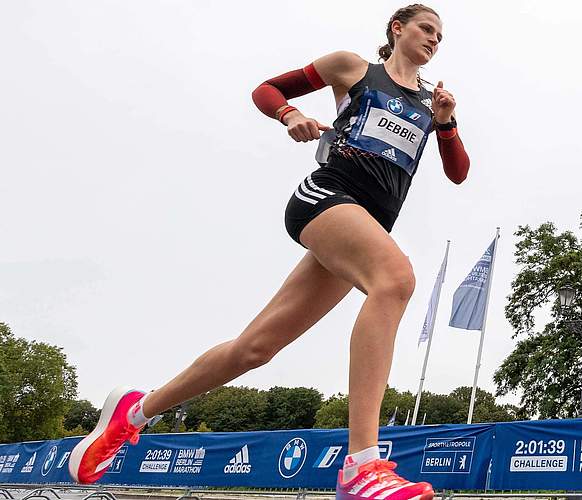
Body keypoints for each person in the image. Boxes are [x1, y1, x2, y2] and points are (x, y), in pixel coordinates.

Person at [69, 5, 468, 500]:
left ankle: (133, 414)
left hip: (364, 229)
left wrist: (446, 123)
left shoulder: (430, 103)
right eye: (427, 29)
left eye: (441, 36)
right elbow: (267, 89)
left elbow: (458, 173)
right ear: (398, 28)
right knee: (396, 279)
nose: (434, 39)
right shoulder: (354, 68)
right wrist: (291, 113)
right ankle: (362, 465)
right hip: (325, 199)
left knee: (254, 349)